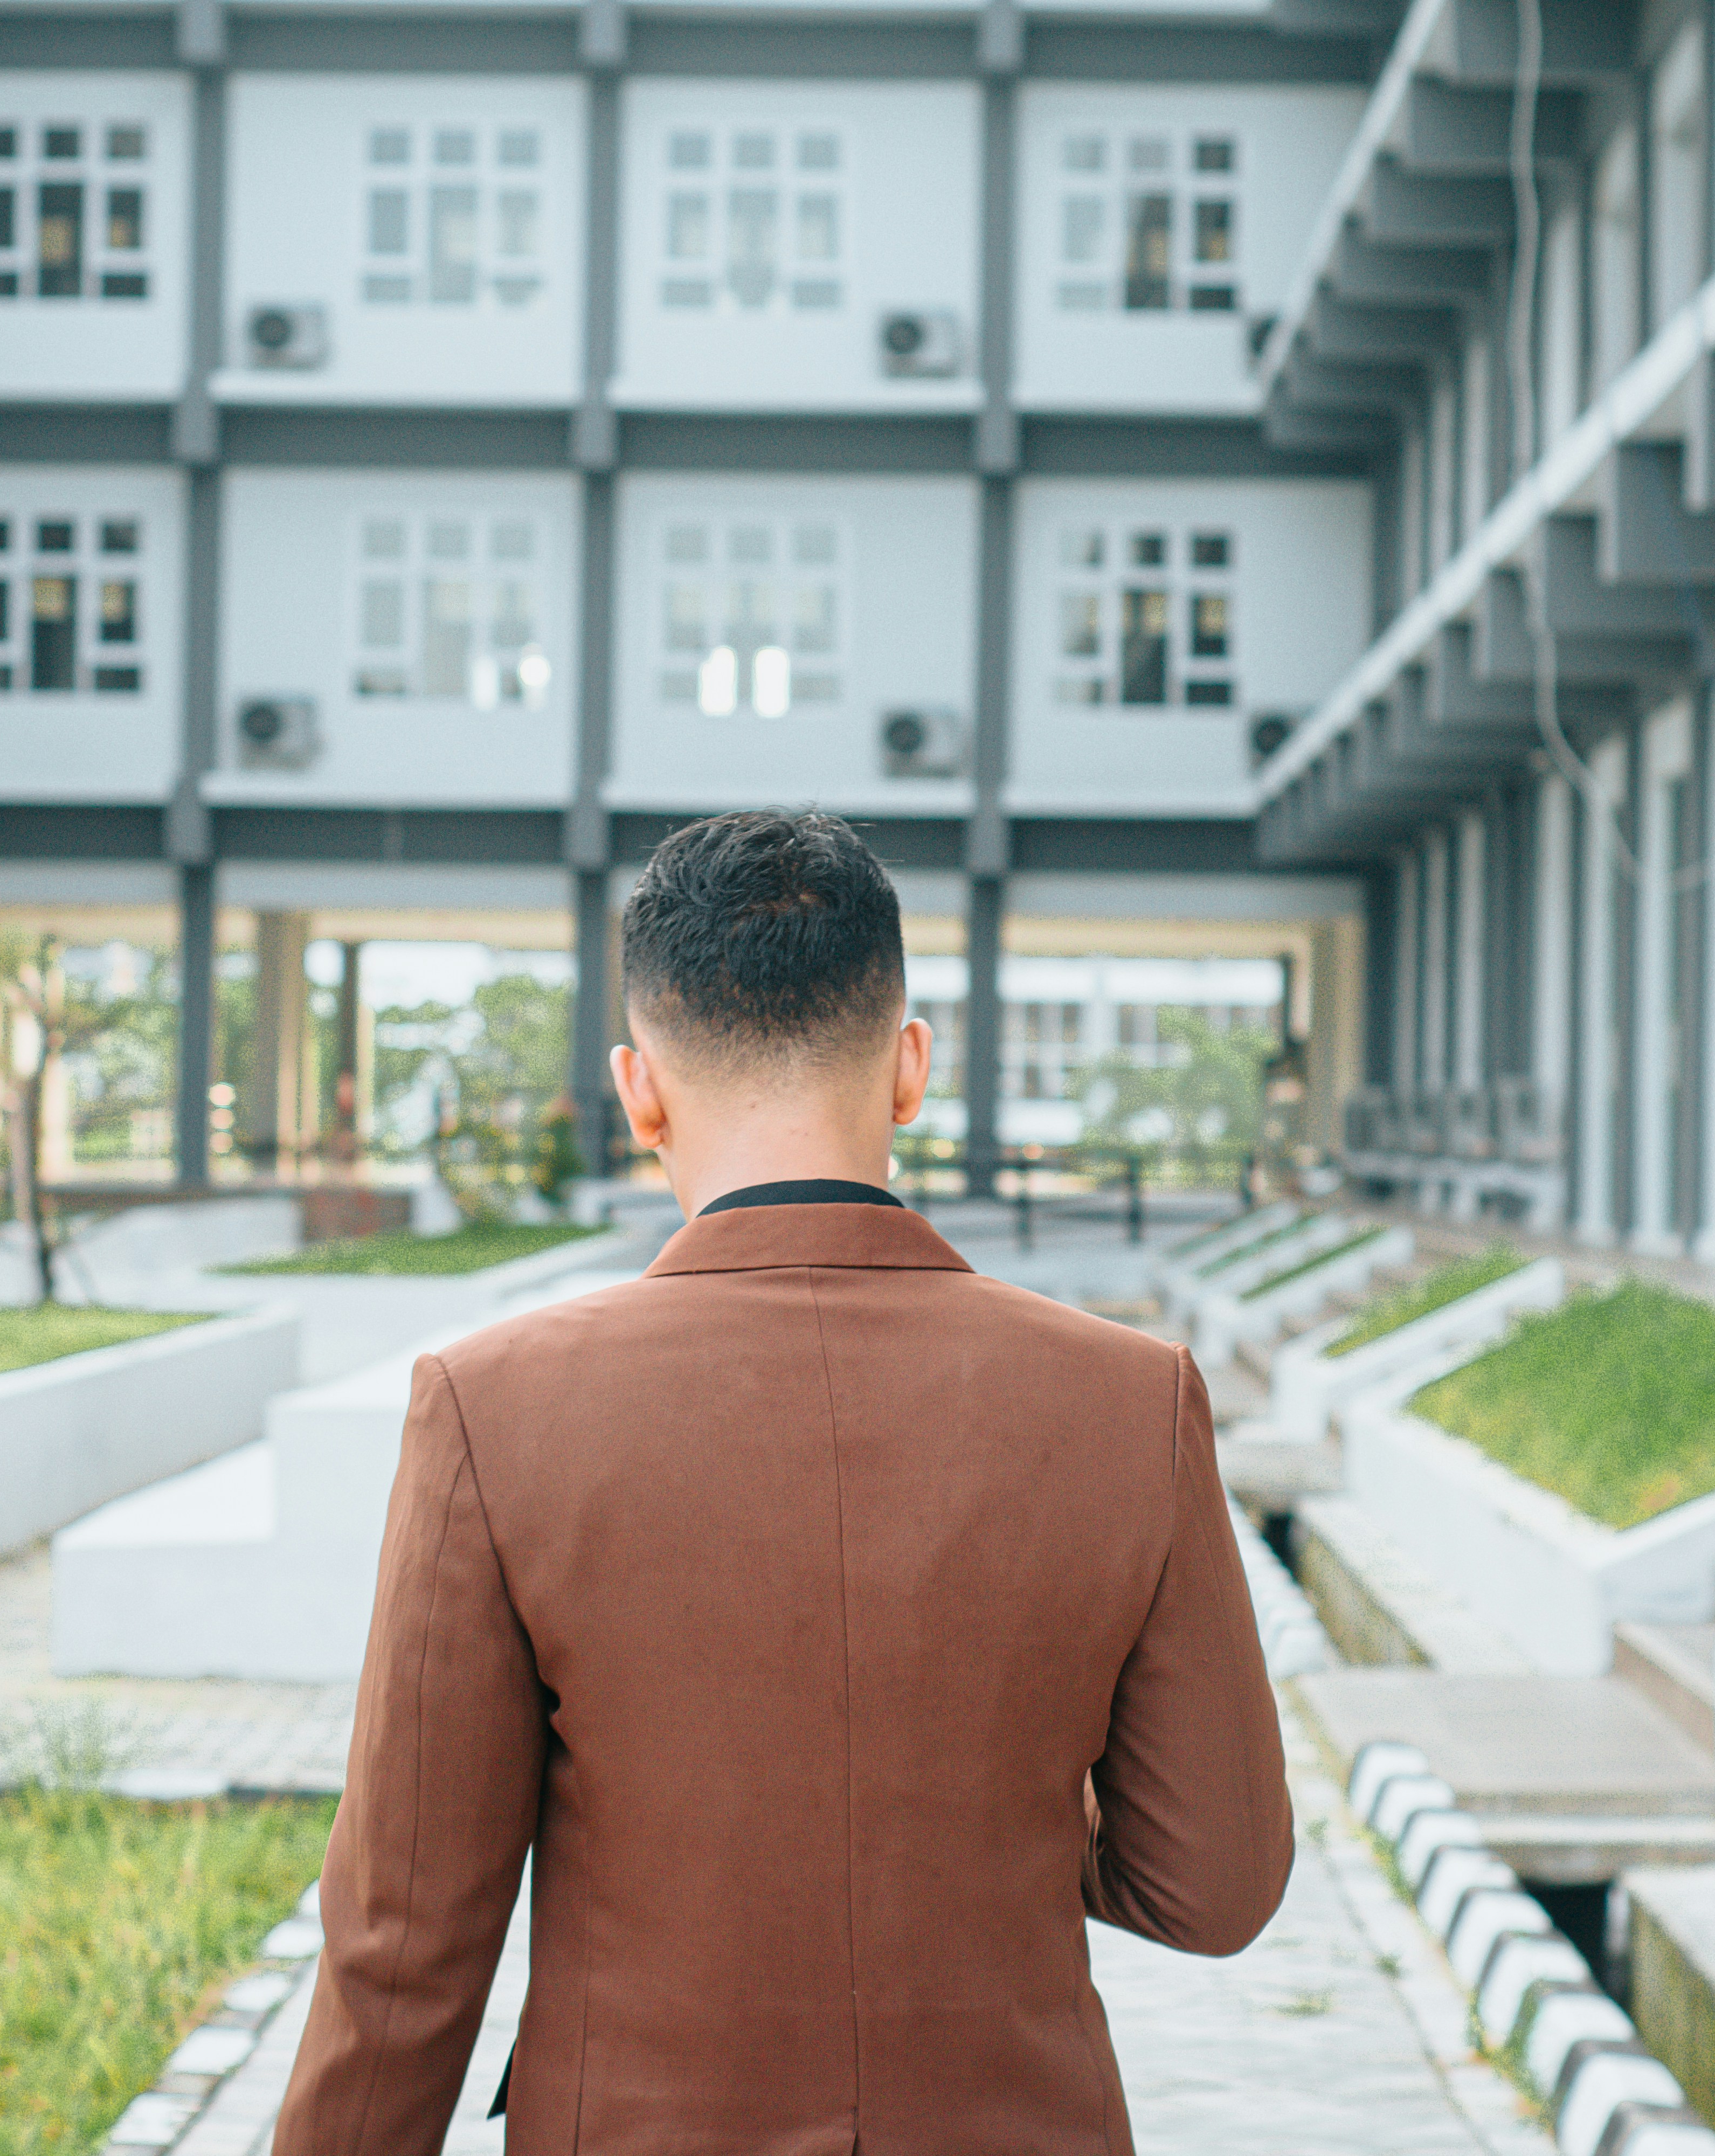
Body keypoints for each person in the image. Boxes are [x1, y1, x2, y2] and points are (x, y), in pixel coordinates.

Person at [274, 808, 1292, 2154]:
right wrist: (998, 1784)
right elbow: (1215, 1881)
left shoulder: (490, 1405)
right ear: (910, 1068)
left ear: (640, 1089)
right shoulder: (1133, 1399)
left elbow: (404, 1950)